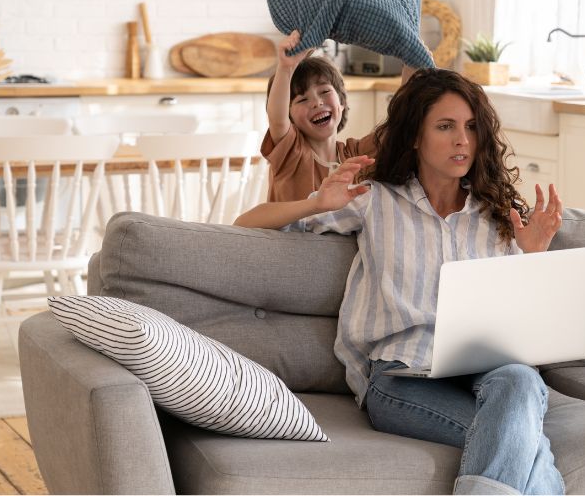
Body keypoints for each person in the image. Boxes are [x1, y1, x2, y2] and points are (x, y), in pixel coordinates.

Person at [236, 68, 565, 495]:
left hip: (488, 372)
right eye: (445, 126)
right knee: (526, 445)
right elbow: (246, 224)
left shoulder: (498, 215)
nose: (462, 139)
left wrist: (533, 254)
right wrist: (316, 202)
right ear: (414, 136)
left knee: (521, 380)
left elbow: (522, 325)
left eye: (470, 127)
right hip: (401, 377)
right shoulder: (373, 199)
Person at [261, 30, 419, 202]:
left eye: (325, 91)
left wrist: (411, 62)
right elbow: (277, 119)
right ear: (289, 117)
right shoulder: (292, 153)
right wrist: (286, 68)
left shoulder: (355, 154)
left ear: (341, 103)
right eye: (302, 99)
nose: (316, 102)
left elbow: (398, 124)